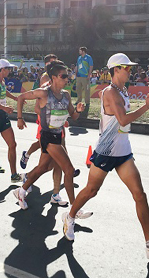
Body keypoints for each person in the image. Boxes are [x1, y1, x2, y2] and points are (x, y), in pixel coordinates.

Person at [62, 53, 149, 259]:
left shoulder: (123, 90)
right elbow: (122, 120)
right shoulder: (110, 93)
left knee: (139, 194)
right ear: (116, 69)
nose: (130, 71)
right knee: (91, 190)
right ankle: (69, 217)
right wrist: (146, 107)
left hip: (123, 152)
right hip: (105, 151)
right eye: (127, 68)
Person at [13, 60, 87, 210]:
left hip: (59, 135)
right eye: (63, 76)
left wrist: (78, 110)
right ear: (53, 77)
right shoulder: (44, 92)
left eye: (68, 76)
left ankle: (21, 190)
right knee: (69, 170)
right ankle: (74, 209)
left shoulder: (65, 95)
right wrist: (20, 118)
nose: (67, 79)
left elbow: (73, 116)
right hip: (47, 136)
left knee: (43, 168)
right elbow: (21, 98)